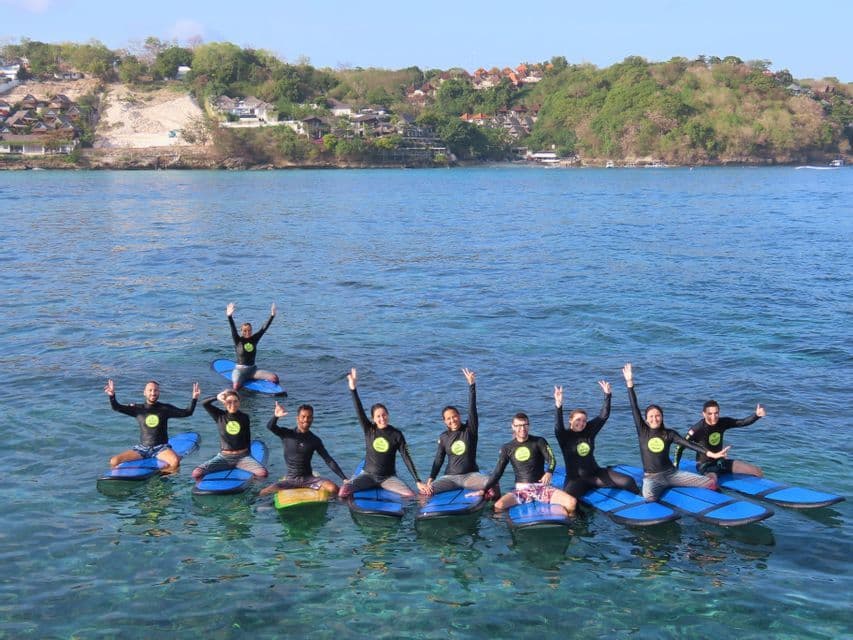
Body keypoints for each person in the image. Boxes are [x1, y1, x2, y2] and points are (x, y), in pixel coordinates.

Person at [621, 363, 729, 501]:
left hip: (672, 474)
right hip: (652, 478)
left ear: (662, 417)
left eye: (658, 415)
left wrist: (712, 454)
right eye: (651, 416)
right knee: (649, 499)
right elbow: (634, 407)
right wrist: (630, 383)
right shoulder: (643, 431)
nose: (655, 418)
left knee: (710, 483)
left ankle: (720, 503)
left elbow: (689, 444)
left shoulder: (669, 434)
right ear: (646, 420)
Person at [338, 367, 426, 498]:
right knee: (342, 493)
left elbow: (407, 458)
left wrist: (418, 481)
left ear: (388, 415)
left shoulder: (396, 434)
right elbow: (359, 410)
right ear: (373, 419)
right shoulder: (369, 429)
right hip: (367, 476)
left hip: (388, 478)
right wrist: (353, 388)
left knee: (410, 495)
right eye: (378, 416)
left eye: (384, 415)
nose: (382, 418)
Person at [472, 413, 577, 514]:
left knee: (572, 503)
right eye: (518, 426)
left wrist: (549, 472)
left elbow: (552, 459)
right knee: (498, 506)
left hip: (541, 488)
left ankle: (571, 527)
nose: (522, 428)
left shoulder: (539, 441)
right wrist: (484, 489)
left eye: (525, 425)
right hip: (522, 490)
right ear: (513, 427)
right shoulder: (507, 448)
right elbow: (498, 472)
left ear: (529, 426)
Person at [553, 380, 639, 498]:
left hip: (595, 474)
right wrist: (558, 405)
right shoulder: (564, 436)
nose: (581, 423)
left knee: (629, 481)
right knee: (568, 500)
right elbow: (558, 427)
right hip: (576, 480)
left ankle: (640, 502)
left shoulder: (589, 431)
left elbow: (603, 416)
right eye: (578, 419)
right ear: (570, 420)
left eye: (584, 420)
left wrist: (608, 395)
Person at [423, 368, 495, 498]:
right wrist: (431, 478)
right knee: (426, 491)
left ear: (459, 416)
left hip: (471, 476)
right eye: (448, 419)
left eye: (454, 416)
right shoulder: (444, 437)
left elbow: (472, 410)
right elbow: (439, 459)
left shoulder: (469, 430)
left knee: (493, 483)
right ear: (444, 421)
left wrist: (472, 385)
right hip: (450, 478)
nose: (452, 420)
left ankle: (495, 512)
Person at [104, 378, 200, 474]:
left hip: (161, 448)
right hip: (142, 449)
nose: (153, 393)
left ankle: (163, 477)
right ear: (144, 392)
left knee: (175, 462)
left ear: (159, 393)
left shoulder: (165, 408)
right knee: (114, 461)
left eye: (155, 390)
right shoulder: (137, 409)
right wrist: (112, 396)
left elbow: (187, 412)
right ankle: (118, 478)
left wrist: (194, 399)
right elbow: (117, 407)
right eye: (150, 390)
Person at [259, 402, 348, 496]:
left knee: (333, 488)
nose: (306, 420)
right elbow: (270, 426)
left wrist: (344, 478)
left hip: (309, 479)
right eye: (303, 416)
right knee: (263, 492)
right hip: (290, 479)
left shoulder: (314, 440)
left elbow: (328, 460)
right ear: (297, 418)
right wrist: (276, 416)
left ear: (312, 419)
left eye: (309, 417)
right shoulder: (286, 434)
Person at [675, 399, 767, 477]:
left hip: (721, 462)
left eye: (716, 413)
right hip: (705, 465)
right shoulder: (697, 429)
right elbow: (680, 446)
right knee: (713, 480)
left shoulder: (722, 422)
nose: (713, 417)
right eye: (709, 414)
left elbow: (742, 422)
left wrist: (756, 416)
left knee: (757, 471)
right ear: (703, 414)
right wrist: (675, 467)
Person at [192, 389, 268, 481]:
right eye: (229, 402)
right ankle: (202, 485)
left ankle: (254, 489)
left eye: (235, 401)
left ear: (239, 403)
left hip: (243, 457)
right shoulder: (220, 416)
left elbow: (247, 437)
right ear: (224, 403)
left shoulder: (244, 417)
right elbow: (204, 403)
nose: (233, 404)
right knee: (196, 473)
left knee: (262, 473)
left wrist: (250, 456)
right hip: (224, 458)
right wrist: (217, 397)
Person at [226, 301, 279, 390]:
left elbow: (263, 328)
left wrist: (272, 316)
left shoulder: (254, 339)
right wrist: (229, 316)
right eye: (245, 330)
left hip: (253, 370)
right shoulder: (238, 340)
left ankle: (271, 391)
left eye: (249, 330)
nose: (247, 332)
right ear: (241, 331)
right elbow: (233, 328)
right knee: (235, 387)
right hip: (240, 371)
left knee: (274, 378)